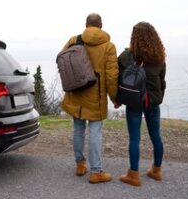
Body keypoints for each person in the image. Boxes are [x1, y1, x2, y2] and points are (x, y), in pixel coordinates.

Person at [60, 13, 119, 184]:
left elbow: (64, 63)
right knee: (95, 132)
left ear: (86, 25)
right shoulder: (108, 46)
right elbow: (111, 76)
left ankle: (80, 164)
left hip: (76, 93)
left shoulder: (74, 40)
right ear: (101, 25)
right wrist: (114, 97)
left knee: (78, 130)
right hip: (96, 97)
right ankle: (96, 171)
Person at [117, 22, 166, 187]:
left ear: (134, 37)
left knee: (134, 138)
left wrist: (117, 99)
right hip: (153, 102)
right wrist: (158, 98)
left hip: (135, 101)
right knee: (156, 136)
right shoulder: (159, 58)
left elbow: (119, 80)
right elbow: (162, 82)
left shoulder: (126, 57)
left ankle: (133, 175)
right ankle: (156, 171)